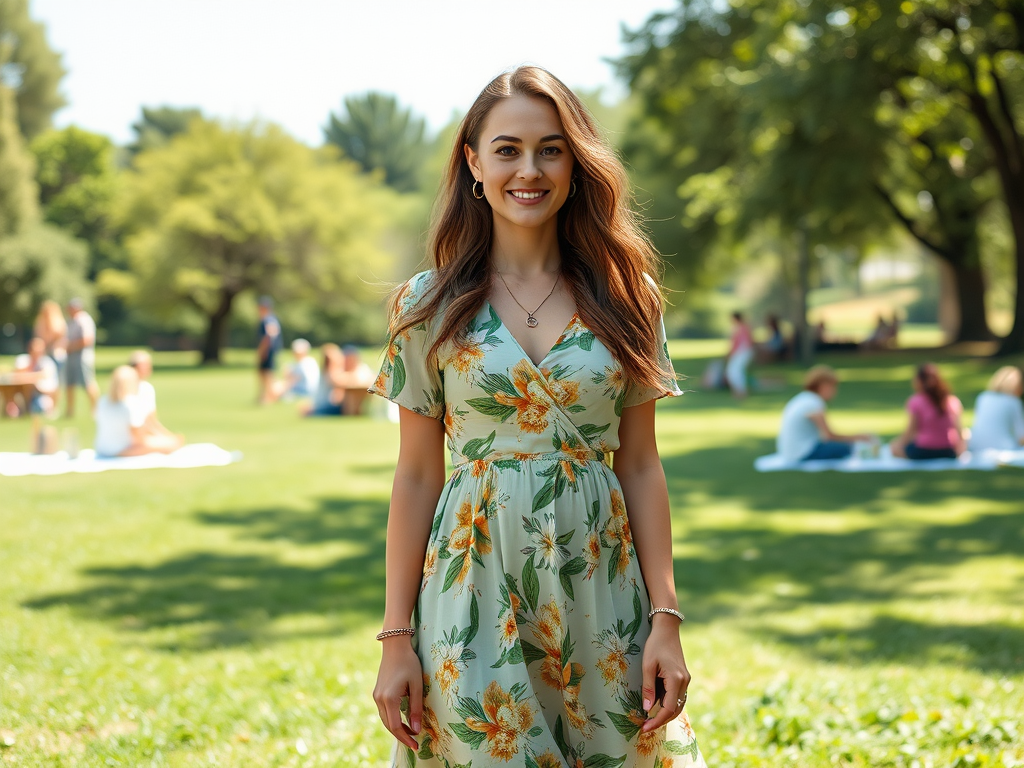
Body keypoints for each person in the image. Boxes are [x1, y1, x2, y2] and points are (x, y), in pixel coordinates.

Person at [369, 67, 705, 767]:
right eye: (508, 149)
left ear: (576, 164)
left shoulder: (627, 296)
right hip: (472, 587)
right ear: (473, 164)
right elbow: (416, 475)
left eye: (551, 149)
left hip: (601, 588)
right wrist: (396, 638)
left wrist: (665, 620)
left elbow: (640, 464)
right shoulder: (426, 304)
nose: (530, 169)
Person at [777, 365, 875, 461]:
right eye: (833, 386)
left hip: (789, 452)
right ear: (824, 386)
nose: (835, 391)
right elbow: (828, 436)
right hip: (801, 453)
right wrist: (858, 438)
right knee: (844, 448)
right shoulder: (813, 402)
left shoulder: (804, 398)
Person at [93, 365, 183, 458]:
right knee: (170, 444)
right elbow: (139, 438)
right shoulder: (129, 405)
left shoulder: (102, 402)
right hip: (121, 450)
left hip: (102, 448)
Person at [890, 363, 966, 460]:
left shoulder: (916, 401)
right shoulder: (952, 400)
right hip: (949, 451)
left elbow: (910, 431)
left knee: (894, 449)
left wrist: (897, 444)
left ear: (919, 381)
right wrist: (961, 448)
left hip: (923, 450)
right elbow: (959, 431)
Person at [129, 350, 183, 443]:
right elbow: (142, 425)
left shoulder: (146, 388)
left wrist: (168, 436)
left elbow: (151, 420)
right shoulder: (128, 390)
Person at [14, 337, 59, 448]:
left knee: (41, 407)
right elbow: (17, 375)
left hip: (41, 395)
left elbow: (52, 387)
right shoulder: (23, 360)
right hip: (23, 395)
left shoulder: (47, 363)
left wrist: (32, 379)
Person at [969, 366, 1024, 452]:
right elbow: (1021, 435)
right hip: (1004, 448)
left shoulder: (983, 397)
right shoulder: (1013, 401)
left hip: (976, 446)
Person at [64, 297, 100, 418]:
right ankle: (70, 411)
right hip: (71, 356)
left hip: (82, 356)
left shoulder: (84, 320)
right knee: (69, 384)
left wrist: (70, 346)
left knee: (88, 383)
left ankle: (96, 410)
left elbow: (87, 340)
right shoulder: (71, 320)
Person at [33, 299, 67, 410]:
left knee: (56, 382)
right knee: (45, 381)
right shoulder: (40, 323)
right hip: (45, 355)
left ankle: (55, 405)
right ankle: (48, 405)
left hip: (57, 355)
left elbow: (60, 338)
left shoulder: (58, 322)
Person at [255, 295, 282, 405]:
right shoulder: (272, 318)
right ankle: (264, 396)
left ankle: (269, 397)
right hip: (271, 350)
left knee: (267, 374)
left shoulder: (267, 319)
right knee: (264, 373)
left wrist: (263, 350)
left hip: (268, 351)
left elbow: (269, 335)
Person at [306, 343, 345, 416]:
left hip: (323, 404)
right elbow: (338, 382)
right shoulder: (329, 373)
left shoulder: (328, 372)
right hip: (323, 405)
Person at [725, 311, 754, 397]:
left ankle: (740, 391)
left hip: (741, 353)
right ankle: (740, 391)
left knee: (733, 371)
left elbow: (736, 342)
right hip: (744, 352)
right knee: (737, 371)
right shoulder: (745, 327)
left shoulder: (738, 328)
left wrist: (730, 353)